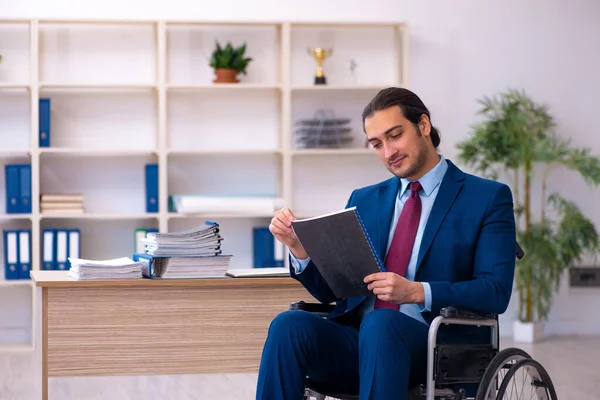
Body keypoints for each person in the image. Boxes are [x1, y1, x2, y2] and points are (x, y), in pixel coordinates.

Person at [255, 87, 517, 400]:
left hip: (434, 348)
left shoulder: (486, 198)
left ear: (423, 126)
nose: (388, 152)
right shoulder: (364, 199)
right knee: (289, 325)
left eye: (395, 136)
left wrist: (417, 291)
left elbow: (495, 292)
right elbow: (334, 290)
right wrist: (299, 248)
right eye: (377, 144)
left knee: (381, 324)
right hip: (358, 342)